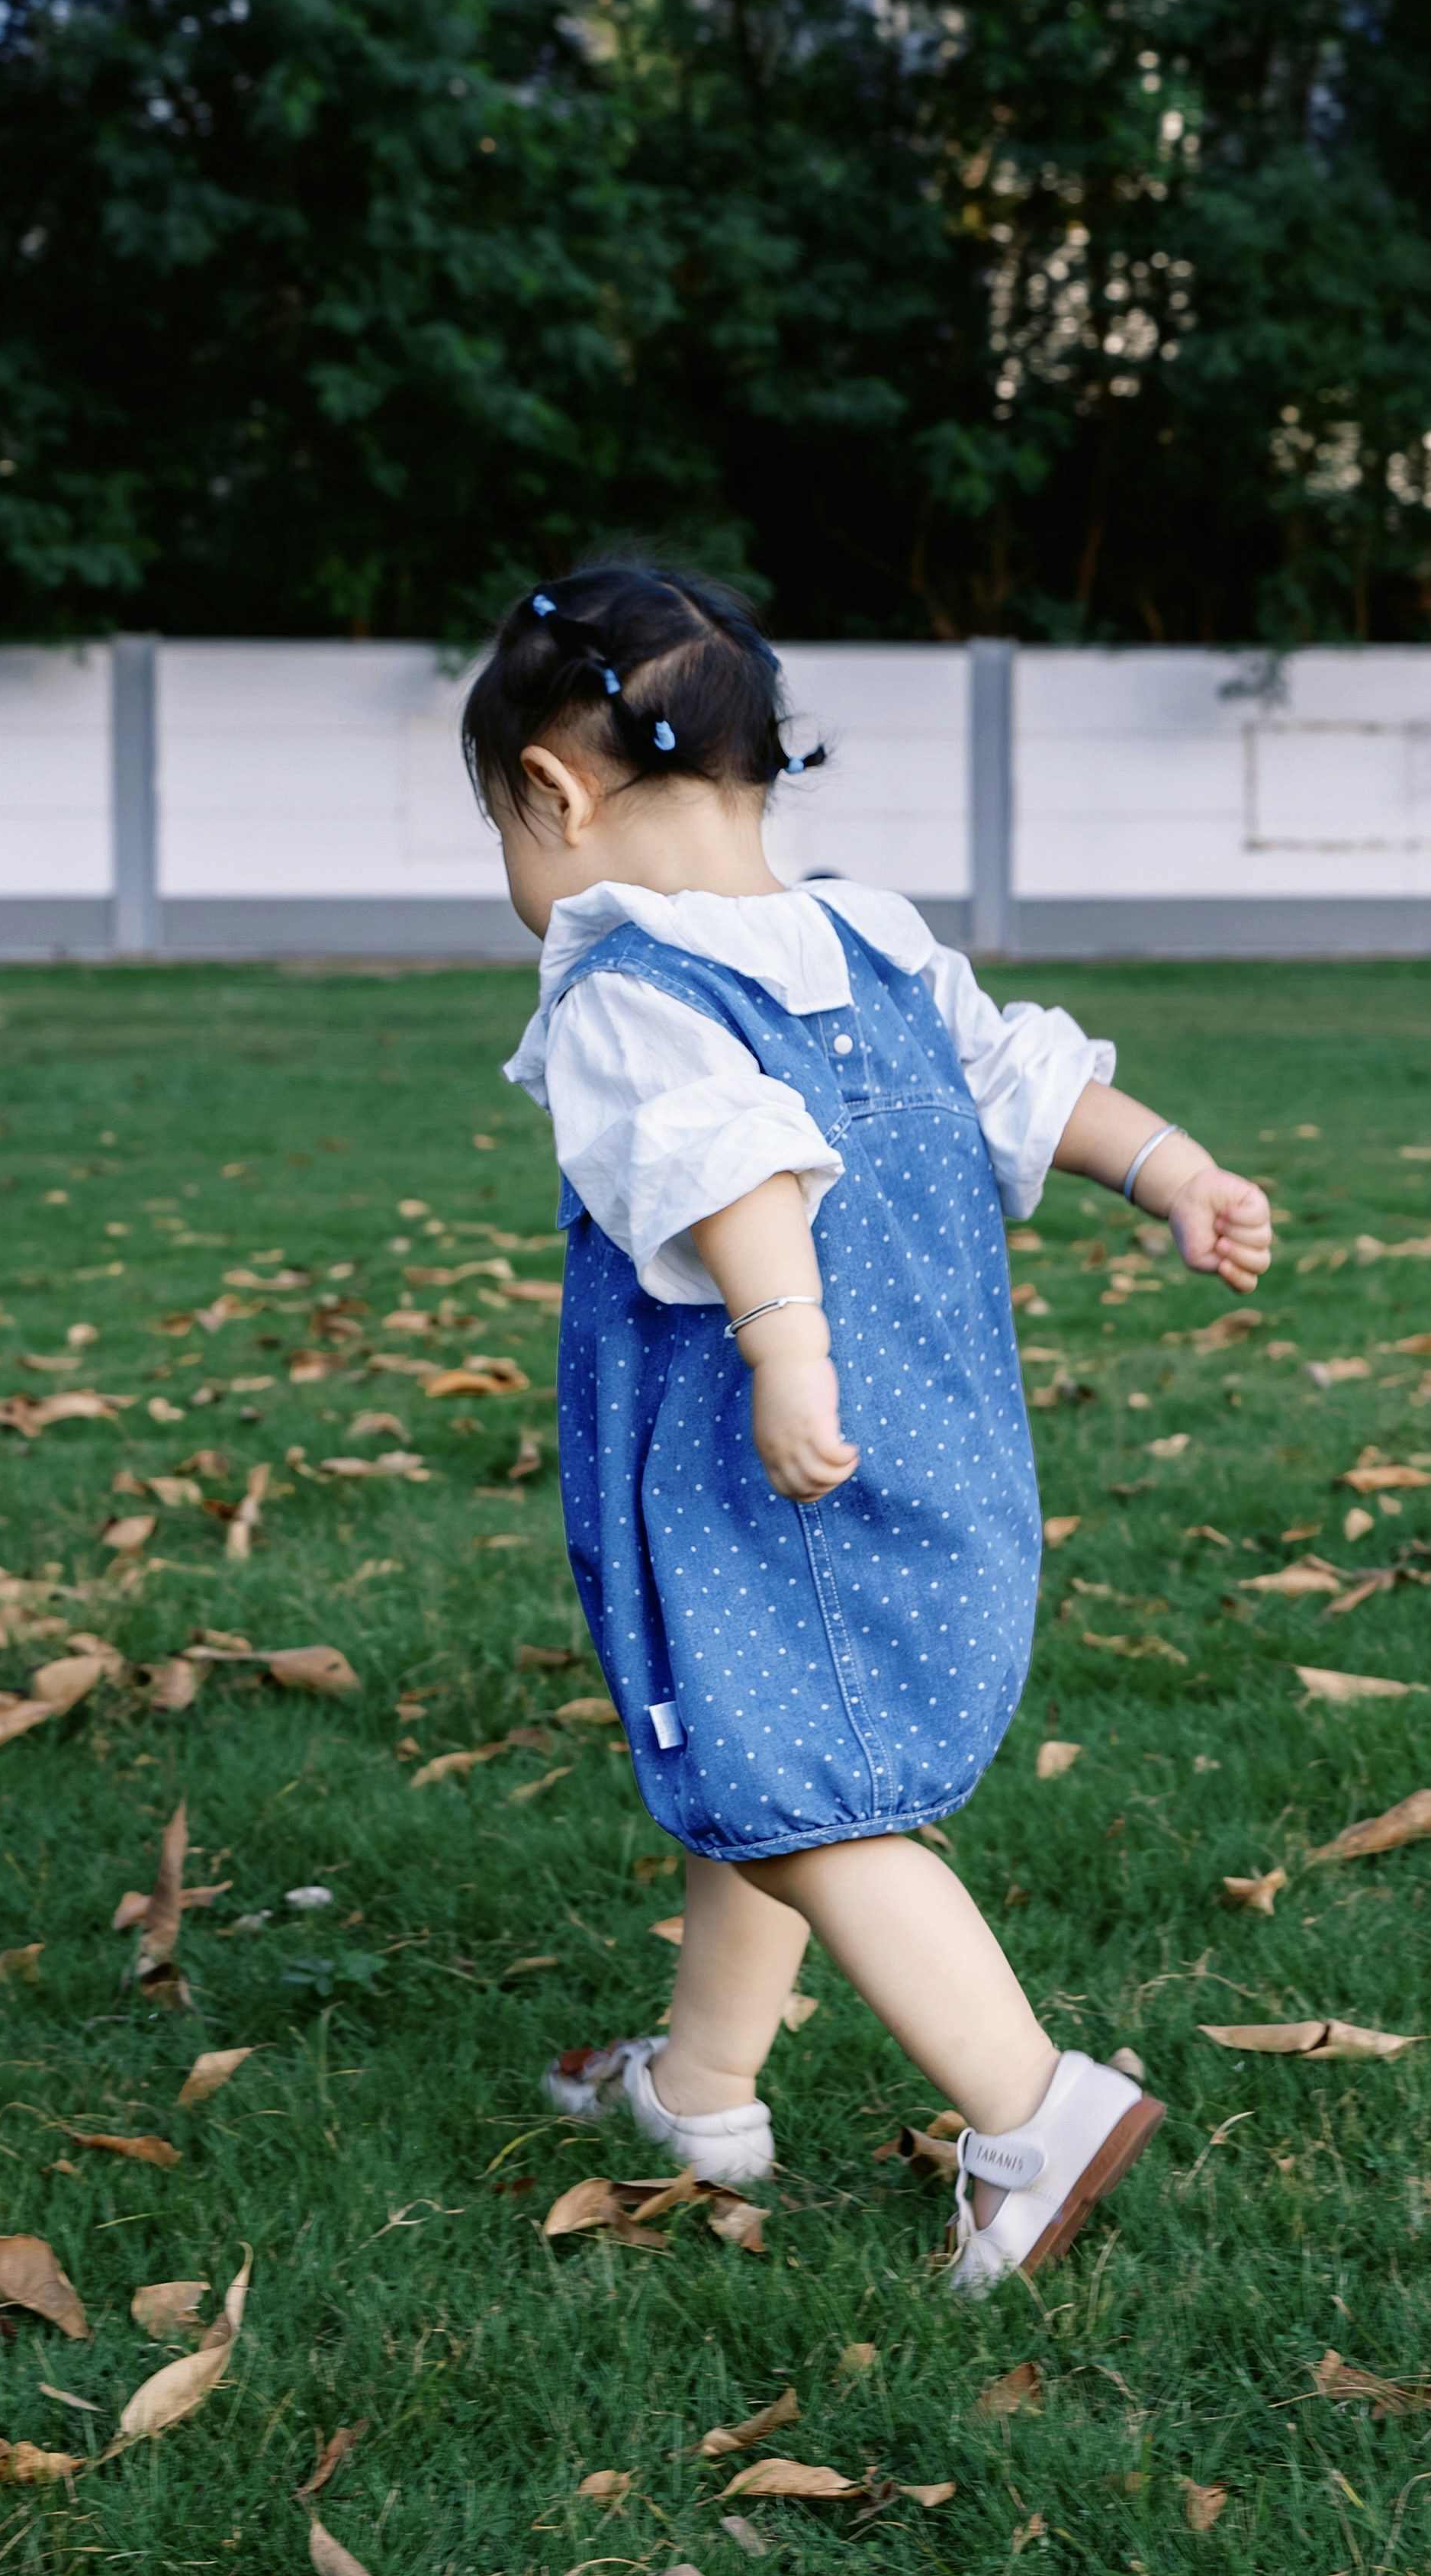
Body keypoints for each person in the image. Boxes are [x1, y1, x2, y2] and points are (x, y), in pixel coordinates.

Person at [463, 562, 1274, 2297]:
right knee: (764, 1755)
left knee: (812, 1796)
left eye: (504, 843)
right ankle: (703, 2085)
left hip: (769, 1455)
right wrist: (1173, 1174)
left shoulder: (626, 986)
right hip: (941, 1441)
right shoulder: (875, 940)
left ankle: (1030, 2113)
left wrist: (782, 1353)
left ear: (552, 793)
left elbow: (730, 1166)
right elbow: (1034, 1084)